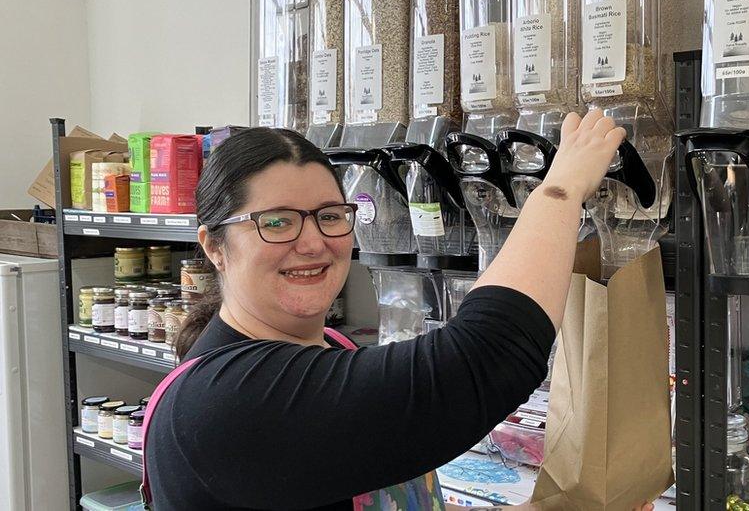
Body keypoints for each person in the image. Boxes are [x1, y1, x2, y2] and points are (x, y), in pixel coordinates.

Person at [145, 111, 654, 510]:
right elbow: (488, 356)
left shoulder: (329, 349)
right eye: (277, 223)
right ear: (214, 246)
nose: (313, 243)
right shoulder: (221, 402)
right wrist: (560, 189)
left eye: (329, 217)